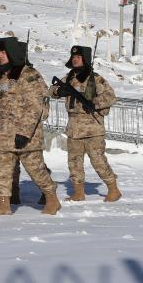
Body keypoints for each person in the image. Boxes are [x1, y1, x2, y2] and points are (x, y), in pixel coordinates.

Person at [0, 37, 60, 216]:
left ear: (12, 53)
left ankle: (52, 199)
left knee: (36, 170)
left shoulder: (29, 75)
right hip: (3, 135)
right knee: (1, 172)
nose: (0, 55)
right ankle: (4, 205)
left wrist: (24, 132)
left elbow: (36, 106)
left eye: (3, 52)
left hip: (26, 137)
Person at [51, 45, 122, 202]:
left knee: (98, 161)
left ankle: (113, 189)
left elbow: (111, 97)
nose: (75, 60)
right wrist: (58, 91)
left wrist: (94, 103)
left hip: (92, 129)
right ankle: (78, 192)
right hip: (74, 129)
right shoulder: (69, 78)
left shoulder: (95, 79)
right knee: (74, 163)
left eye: (79, 57)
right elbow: (51, 90)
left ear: (85, 59)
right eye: (73, 57)